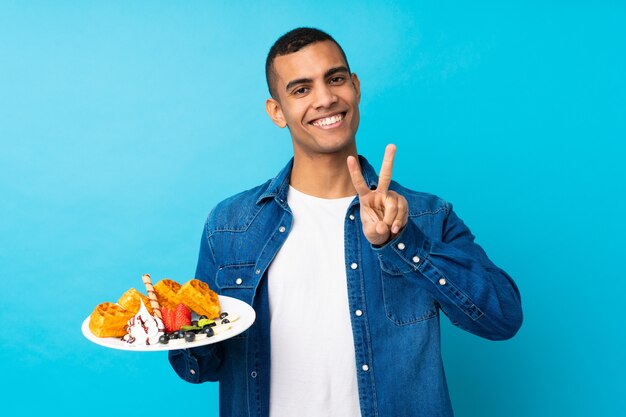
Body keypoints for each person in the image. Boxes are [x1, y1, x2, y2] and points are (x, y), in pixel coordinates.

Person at [169, 27, 523, 417]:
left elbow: (503, 319)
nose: (325, 99)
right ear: (277, 112)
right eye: (301, 89)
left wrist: (406, 243)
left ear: (355, 87)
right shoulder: (230, 225)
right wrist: (174, 328)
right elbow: (200, 367)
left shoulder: (425, 215)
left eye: (335, 79)